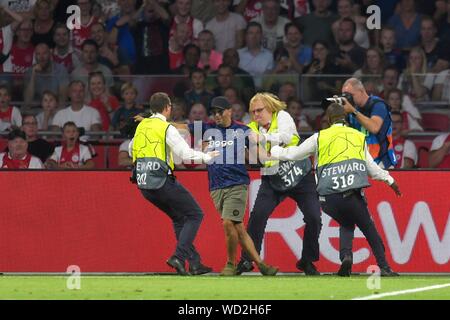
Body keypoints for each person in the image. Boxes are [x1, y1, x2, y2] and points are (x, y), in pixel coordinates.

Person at [270, 103, 401, 277]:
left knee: (346, 222)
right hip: (351, 195)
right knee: (368, 228)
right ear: (345, 119)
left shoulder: (319, 137)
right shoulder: (357, 136)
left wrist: (275, 150)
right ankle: (384, 266)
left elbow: (294, 154)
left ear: (328, 120)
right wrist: (390, 180)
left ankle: (346, 257)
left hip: (328, 200)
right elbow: (372, 169)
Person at [172, 96, 278, 276]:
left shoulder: (243, 131)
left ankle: (230, 263)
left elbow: (259, 154)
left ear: (229, 111)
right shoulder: (206, 128)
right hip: (216, 186)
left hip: (237, 184)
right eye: (214, 113)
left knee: (229, 223)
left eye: (220, 111)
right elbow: (181, 126)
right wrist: (156, 122)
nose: (217, 115)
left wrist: (274, 155)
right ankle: (261, 265)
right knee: (238, 227)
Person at [131, 92, 218, 275]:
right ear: (167, 107)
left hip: (144, 184)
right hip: (161, 180)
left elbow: (132, 149)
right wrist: (207, 156)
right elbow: (185, 154)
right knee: (195, 214)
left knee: (180, 218)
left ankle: (194, 263)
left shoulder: (141, 127)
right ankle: (178, 257)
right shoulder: (166, 128)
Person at [237, 92, 322, 276]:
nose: (256, 115)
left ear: (270, 108)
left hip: (301, 174)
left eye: (260, 110)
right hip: (272, 177)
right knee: (257, 216)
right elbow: (256, 158)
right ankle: (247, 260)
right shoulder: (250, 128)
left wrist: (262, 139)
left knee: (314, 217)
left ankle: (307, 261)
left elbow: (284, 136)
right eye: (253, 112)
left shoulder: (283, 116)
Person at [341, 77, 397, 169]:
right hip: (361, 162)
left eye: (350, 95)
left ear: (361, 91)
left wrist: (353, 111)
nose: (348, 99)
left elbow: (374, 128)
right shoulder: (352, 110)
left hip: (381, 161)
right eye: (345, 96)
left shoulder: (378, 105)